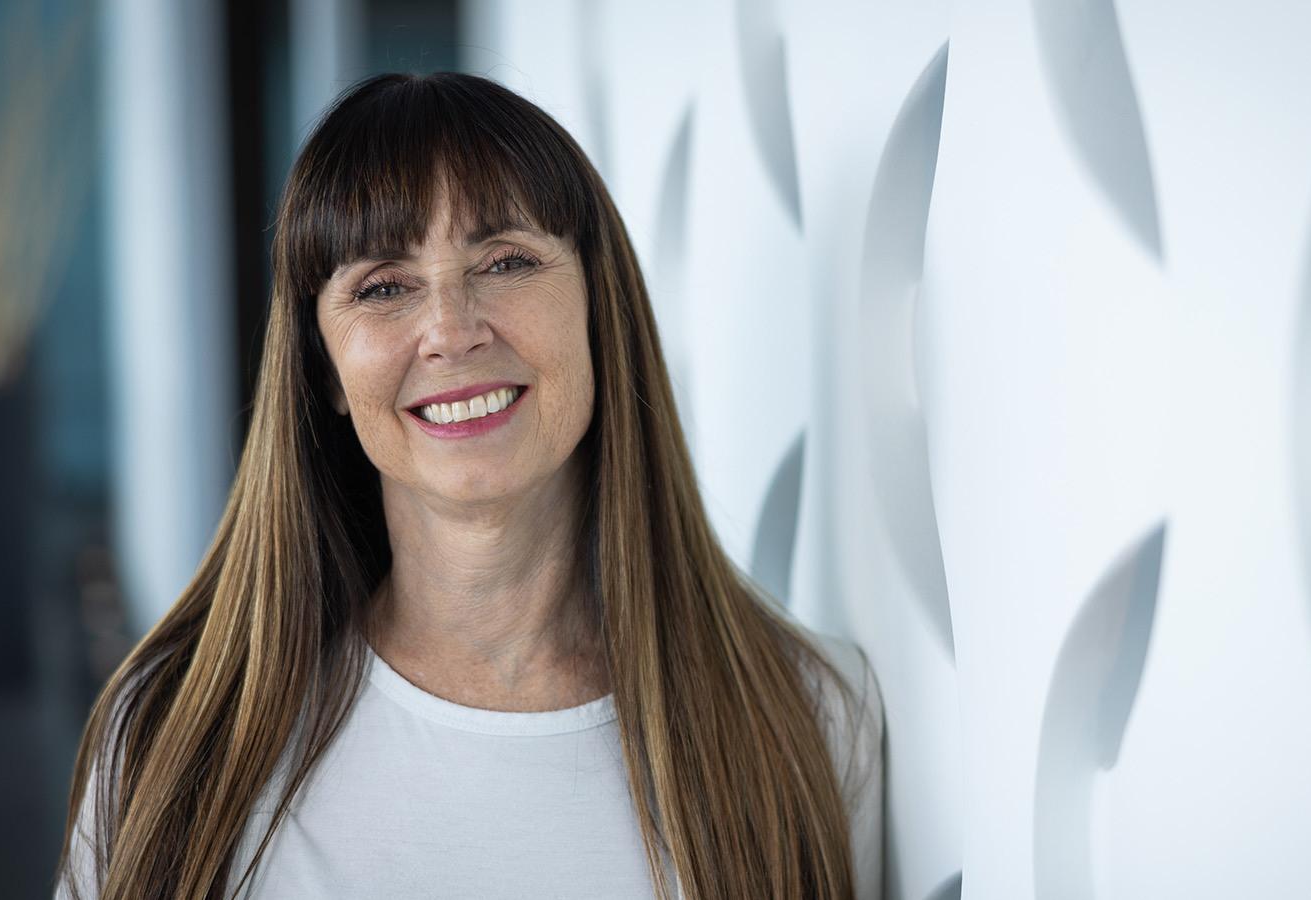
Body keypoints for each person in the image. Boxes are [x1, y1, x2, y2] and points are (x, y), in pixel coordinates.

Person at [54, 71, 884, 900]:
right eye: (383, 286)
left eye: (506, 261)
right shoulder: (165, 735)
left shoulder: (810, 717)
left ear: (599, 310)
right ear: (327, 370)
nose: (452, 331)